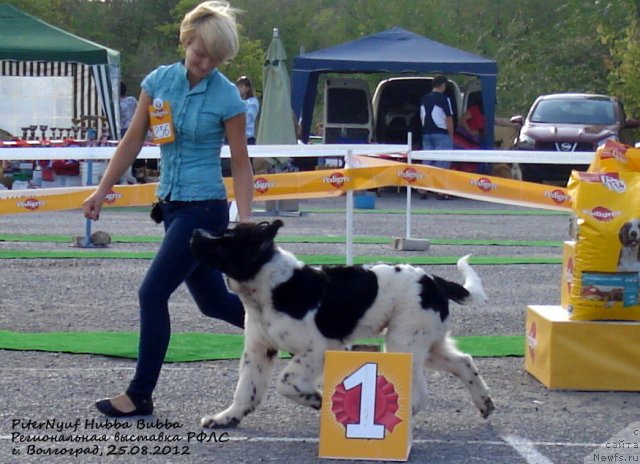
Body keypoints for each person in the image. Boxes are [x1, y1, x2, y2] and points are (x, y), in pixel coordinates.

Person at [82, 0, 253, 418]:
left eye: (216, 57)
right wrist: (103, 190)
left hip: (205, 211)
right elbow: (133, 140)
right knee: (214, 304)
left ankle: (140, 394)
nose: (207, 62)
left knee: (152, 292)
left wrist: (245, 221)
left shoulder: (228, 96)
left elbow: (241, 161)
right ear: (186, 39)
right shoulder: (159, 82)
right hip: (173, 208)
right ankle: (304, 336)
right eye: (201, 52)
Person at [420, 74, 455, 199]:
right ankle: (440, 191)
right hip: (441, 133)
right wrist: (451, 134)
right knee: (442, 160)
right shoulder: (444, 99)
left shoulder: (424, 98)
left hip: (426, 132)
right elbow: (448, 118)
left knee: (427, 161)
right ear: (443, 85)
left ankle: (423, 189)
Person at [235, 75, 259, 145]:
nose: (238, 89)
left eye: (241, 87)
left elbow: (247, 119)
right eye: (237, 87)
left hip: (247, 139)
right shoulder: (237, 101)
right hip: (236, 138)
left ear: (247, 88)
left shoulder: (252, 102)